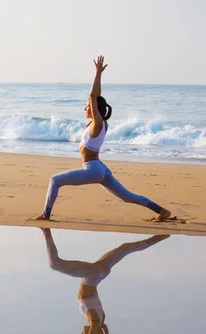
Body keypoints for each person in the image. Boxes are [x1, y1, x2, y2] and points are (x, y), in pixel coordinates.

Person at [33, 56, 172, 222]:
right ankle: (161, 211)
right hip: (101, 169)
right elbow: (96, 98)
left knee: (54, 180)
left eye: (87, 106)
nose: (85, 107)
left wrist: (98, 74)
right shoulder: (98, 124)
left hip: (92, 169)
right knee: (127, 197)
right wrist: (98, 80)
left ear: (94, 109)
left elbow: (93, 97)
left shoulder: (97, 124)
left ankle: (45, 215)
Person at [40, 227, 169, 334]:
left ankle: (161, 236)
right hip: (92, 275)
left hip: (101, 273)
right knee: (55, 264)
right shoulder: (94, 321)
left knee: (126, 248)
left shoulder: (101, 320)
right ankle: (46, 231)